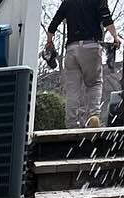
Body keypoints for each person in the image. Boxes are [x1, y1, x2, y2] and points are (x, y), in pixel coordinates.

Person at [48, 0, 123, 128]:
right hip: (91, 47)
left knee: (72, 90)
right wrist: (115, 37)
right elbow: (106, 17)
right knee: (94, 83)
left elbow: (53, 24)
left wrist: (49, 41)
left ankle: (71, 124)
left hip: (71, 49)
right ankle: (93, 117)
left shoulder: (68, 2)